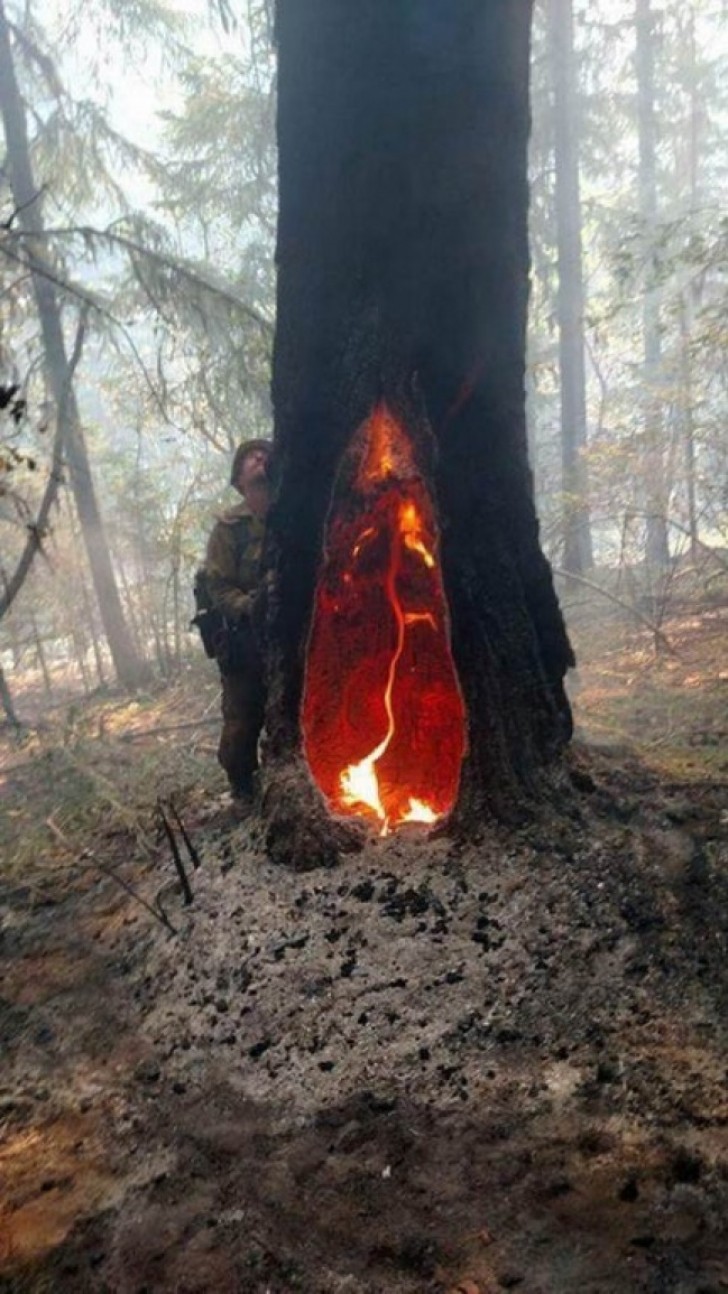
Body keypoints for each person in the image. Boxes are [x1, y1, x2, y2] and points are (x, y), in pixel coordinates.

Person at [205, 438, 272, 807]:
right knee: (241, 727)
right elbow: (217, 585)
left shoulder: (294, 517)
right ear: (239, 481)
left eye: (264, 455)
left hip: (288, 641)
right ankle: (243, 793)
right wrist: (249, 607)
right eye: (249, 458)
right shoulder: (229, 529)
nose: (258, 459)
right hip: (245, 643)